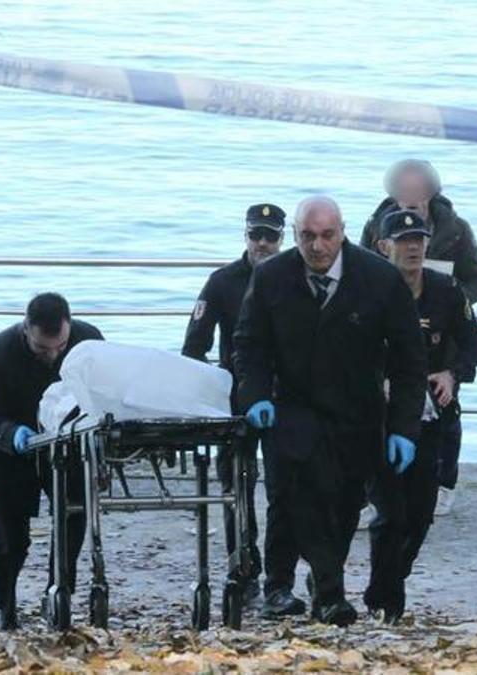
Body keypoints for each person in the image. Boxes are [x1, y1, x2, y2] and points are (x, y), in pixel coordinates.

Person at [233, 195, 427, 626]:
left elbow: (410, 360)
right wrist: (256, 394)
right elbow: (249, 344)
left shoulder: (379, 279)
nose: (317, 247)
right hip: (293, 406)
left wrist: (403, 428)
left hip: (356, 410)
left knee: (343, 504)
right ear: (296, 235)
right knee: (297, 494)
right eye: (307, 237)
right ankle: (316, 592)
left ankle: (322, 583)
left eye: (326, 236)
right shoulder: (272, 278)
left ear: (342, 232)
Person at [364, 209, 477, 622]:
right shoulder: (369, 290)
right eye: (403, 241)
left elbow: (474, 345)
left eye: (418, 239)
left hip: (430, 415)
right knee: (389, 512)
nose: (413, 247)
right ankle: (388, 602)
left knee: (420, 515)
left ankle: (387, 583)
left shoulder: (446, 291)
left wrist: (453, 375)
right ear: (384, 247)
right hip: (378, 418)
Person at [0, 293, 104, 630]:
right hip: (11, 453)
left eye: (60, 347)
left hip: (69, 446)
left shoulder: (89, 341)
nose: (53, 355)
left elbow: (106, 394)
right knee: (13, 540)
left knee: (73, 521)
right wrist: (11, 433)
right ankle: (6, 607)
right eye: (43, 350)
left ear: (69, 327)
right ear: (26, 329)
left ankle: (58, 594)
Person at [181, 202, 286, 606]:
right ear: (245, 235)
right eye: (255, 234)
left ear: (281, 238)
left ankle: (280, 574)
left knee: (285, 487)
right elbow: (194, 345)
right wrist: (206, 395)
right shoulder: (222, 282)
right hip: (234, 398)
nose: (262, 243)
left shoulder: (294, 277)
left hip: (286, 397)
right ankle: (243, 568)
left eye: (270, 236)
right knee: (235, 487)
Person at [358, 159, 477, 304]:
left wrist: (451, 304)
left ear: (431, 192)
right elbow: (360, 275)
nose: (411, 198)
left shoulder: (456, 230)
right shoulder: (376, 226)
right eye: (404, 190)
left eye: (418, 190)